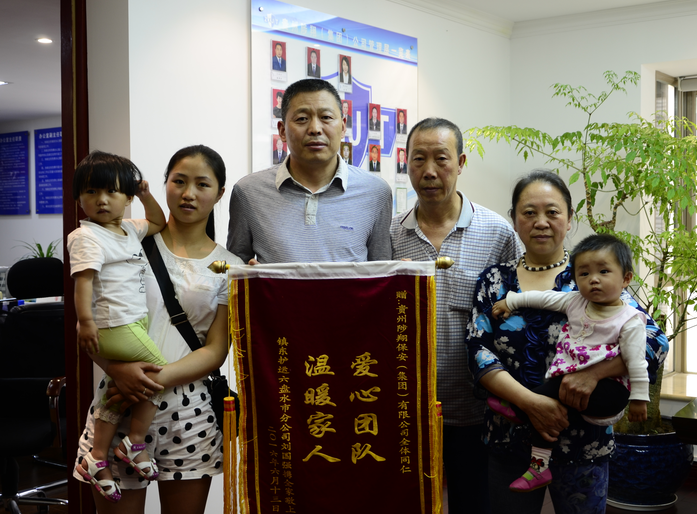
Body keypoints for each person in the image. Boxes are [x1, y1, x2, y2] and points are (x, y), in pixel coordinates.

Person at [466, 169, 667, 514]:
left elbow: (653, 342)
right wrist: (531, 403)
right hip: (509, 435)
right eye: (529, 212)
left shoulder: (591, 275)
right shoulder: (495, 281)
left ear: (570, 219)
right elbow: (477, 351)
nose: (541, 222)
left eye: (552, 212)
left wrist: (594, 374)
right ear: (514, 220)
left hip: (583, 442)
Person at [73, 145, 244, 514]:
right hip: (119, 399)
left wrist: (154, 379)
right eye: (179, 181)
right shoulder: (128, 240)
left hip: (190, 411)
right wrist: (117, 369)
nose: (188, 193)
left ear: (219, 193)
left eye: (202, 184)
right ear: (164, 184)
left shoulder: (228, 265)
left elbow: (216, 349)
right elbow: (91, 322)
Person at [391, 118, 522, 514]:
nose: (429, 171)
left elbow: (519, 311)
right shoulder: (390, 235)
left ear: (461, 162)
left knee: (473, 503)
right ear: (407, 163)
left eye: (441, 159)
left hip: (475, 409)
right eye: (419, 159)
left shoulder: (497, 232)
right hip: (407, 408)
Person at [489, 233, 648, 492]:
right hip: (568, 386)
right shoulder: (575, 301)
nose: (593, 279)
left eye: (604, 271)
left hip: (610, 392)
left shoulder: (630, 319)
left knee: (545, 398)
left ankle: (519, 411)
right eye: (584, 274)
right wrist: (511, 301)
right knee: (546, 412)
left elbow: (637, 361)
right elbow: (542, 298)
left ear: (626, 278)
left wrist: (639, 399)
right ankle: (539, 467)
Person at [69, 151, 168, 502]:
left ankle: (97, 458)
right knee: (158, 375)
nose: (101, 200)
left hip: (131, 323)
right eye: (91, 192)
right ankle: (133, 444)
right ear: (78, 198)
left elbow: (158, 222)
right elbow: (83, 283)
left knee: (119, 391)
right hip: (113, 325)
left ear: (126, 198)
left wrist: (145, 195)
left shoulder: (128, 229)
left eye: (111, 192)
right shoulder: (87, 236)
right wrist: (86, 322)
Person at [226, 79, 392, 264]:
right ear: (282, 131)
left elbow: (383, 272)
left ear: (343, 126)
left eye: (326, 117)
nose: (315, 129)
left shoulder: (376, 192)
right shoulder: (248, 192)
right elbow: (235, 271)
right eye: (302, 119)